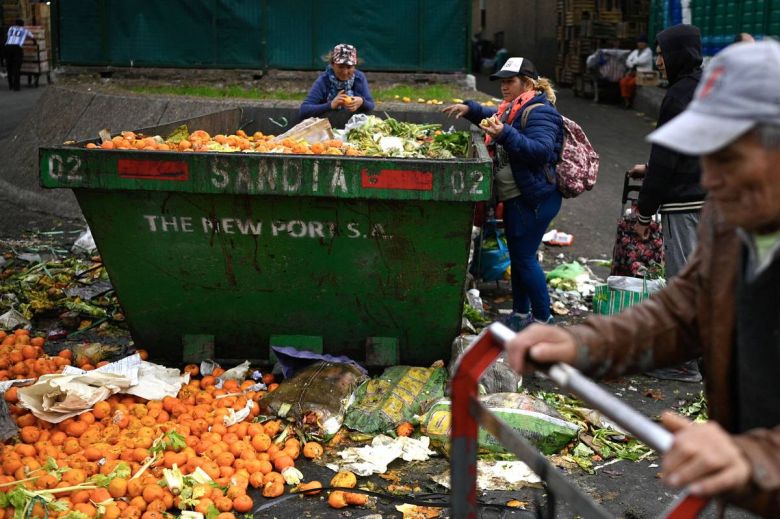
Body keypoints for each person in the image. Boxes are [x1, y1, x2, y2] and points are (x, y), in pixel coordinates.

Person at [504, 40, 780, 518]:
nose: (710, 179)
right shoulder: (731, 219)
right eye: (703, 156)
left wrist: (757, 459)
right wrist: (582, 345)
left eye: (728, 158)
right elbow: (684, 309)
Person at [443, 57, 564, 330]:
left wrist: (505, 134)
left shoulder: (541, 112)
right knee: (520, 257)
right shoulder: (513, 108)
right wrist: (470, 108)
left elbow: (541, 151)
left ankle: (544, 321)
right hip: (517, 198)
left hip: (533, 199)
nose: (503, 87)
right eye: (502, 81)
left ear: (528, 84)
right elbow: (493, 115)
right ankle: (521, 315)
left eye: (510, 81)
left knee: (523, 259)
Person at [628, 25, 706, 382]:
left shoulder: (677, 96)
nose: (658, 61)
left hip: (686, 205)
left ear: (678, 55)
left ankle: (685, 362)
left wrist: (645, 210)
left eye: (662, 54)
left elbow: (666, 159)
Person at [299, 43, 374, 120]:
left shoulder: (359, 78)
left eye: (349, 67)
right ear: (332, 64)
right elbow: (304, 109)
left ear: (355, 66)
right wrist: (330, 105)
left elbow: (371, 105)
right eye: (340, 67)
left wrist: (362, 101)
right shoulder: (323, 80)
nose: (345, 72)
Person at [619, 35, 653, 108]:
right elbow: (627, 61)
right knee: (623, 81)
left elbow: (640, 61)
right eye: (639, 42)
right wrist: (632, 63)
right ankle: (626, 101)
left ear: (646, 44)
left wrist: (632, 62)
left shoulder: (648, 52)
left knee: (631, 83)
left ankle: (629, 101)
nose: (640, 44)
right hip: (633, 73)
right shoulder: (635, 51)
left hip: (644, 74)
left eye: (642, 42)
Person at [4, 19, 36, 92]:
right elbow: (33, 37)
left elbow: (8, 36)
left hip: (8, 47)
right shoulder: (25, 30)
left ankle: (10, 85)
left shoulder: (11, 28)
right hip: (17, 48)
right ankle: (16, 87)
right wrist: (34, 43)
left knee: (9, 67)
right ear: (23, 24)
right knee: (16, 68)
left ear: (15, 24)